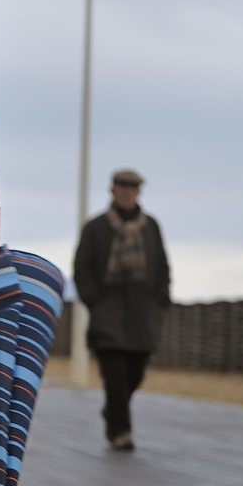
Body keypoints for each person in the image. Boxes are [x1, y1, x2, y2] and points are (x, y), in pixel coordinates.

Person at [73, 169, 172, 450]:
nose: (127, 193)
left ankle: (113, 411)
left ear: (138, 192)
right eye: (122, 188)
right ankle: (120, 431)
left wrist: (160, 300)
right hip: (108, 310)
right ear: (113, 191)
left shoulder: (151, 226)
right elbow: (82, 267)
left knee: (136, 372)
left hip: (143, 311)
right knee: (115, 375)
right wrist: (94, 300)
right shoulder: (95, 227)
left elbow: (162, 264)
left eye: (133, 189)